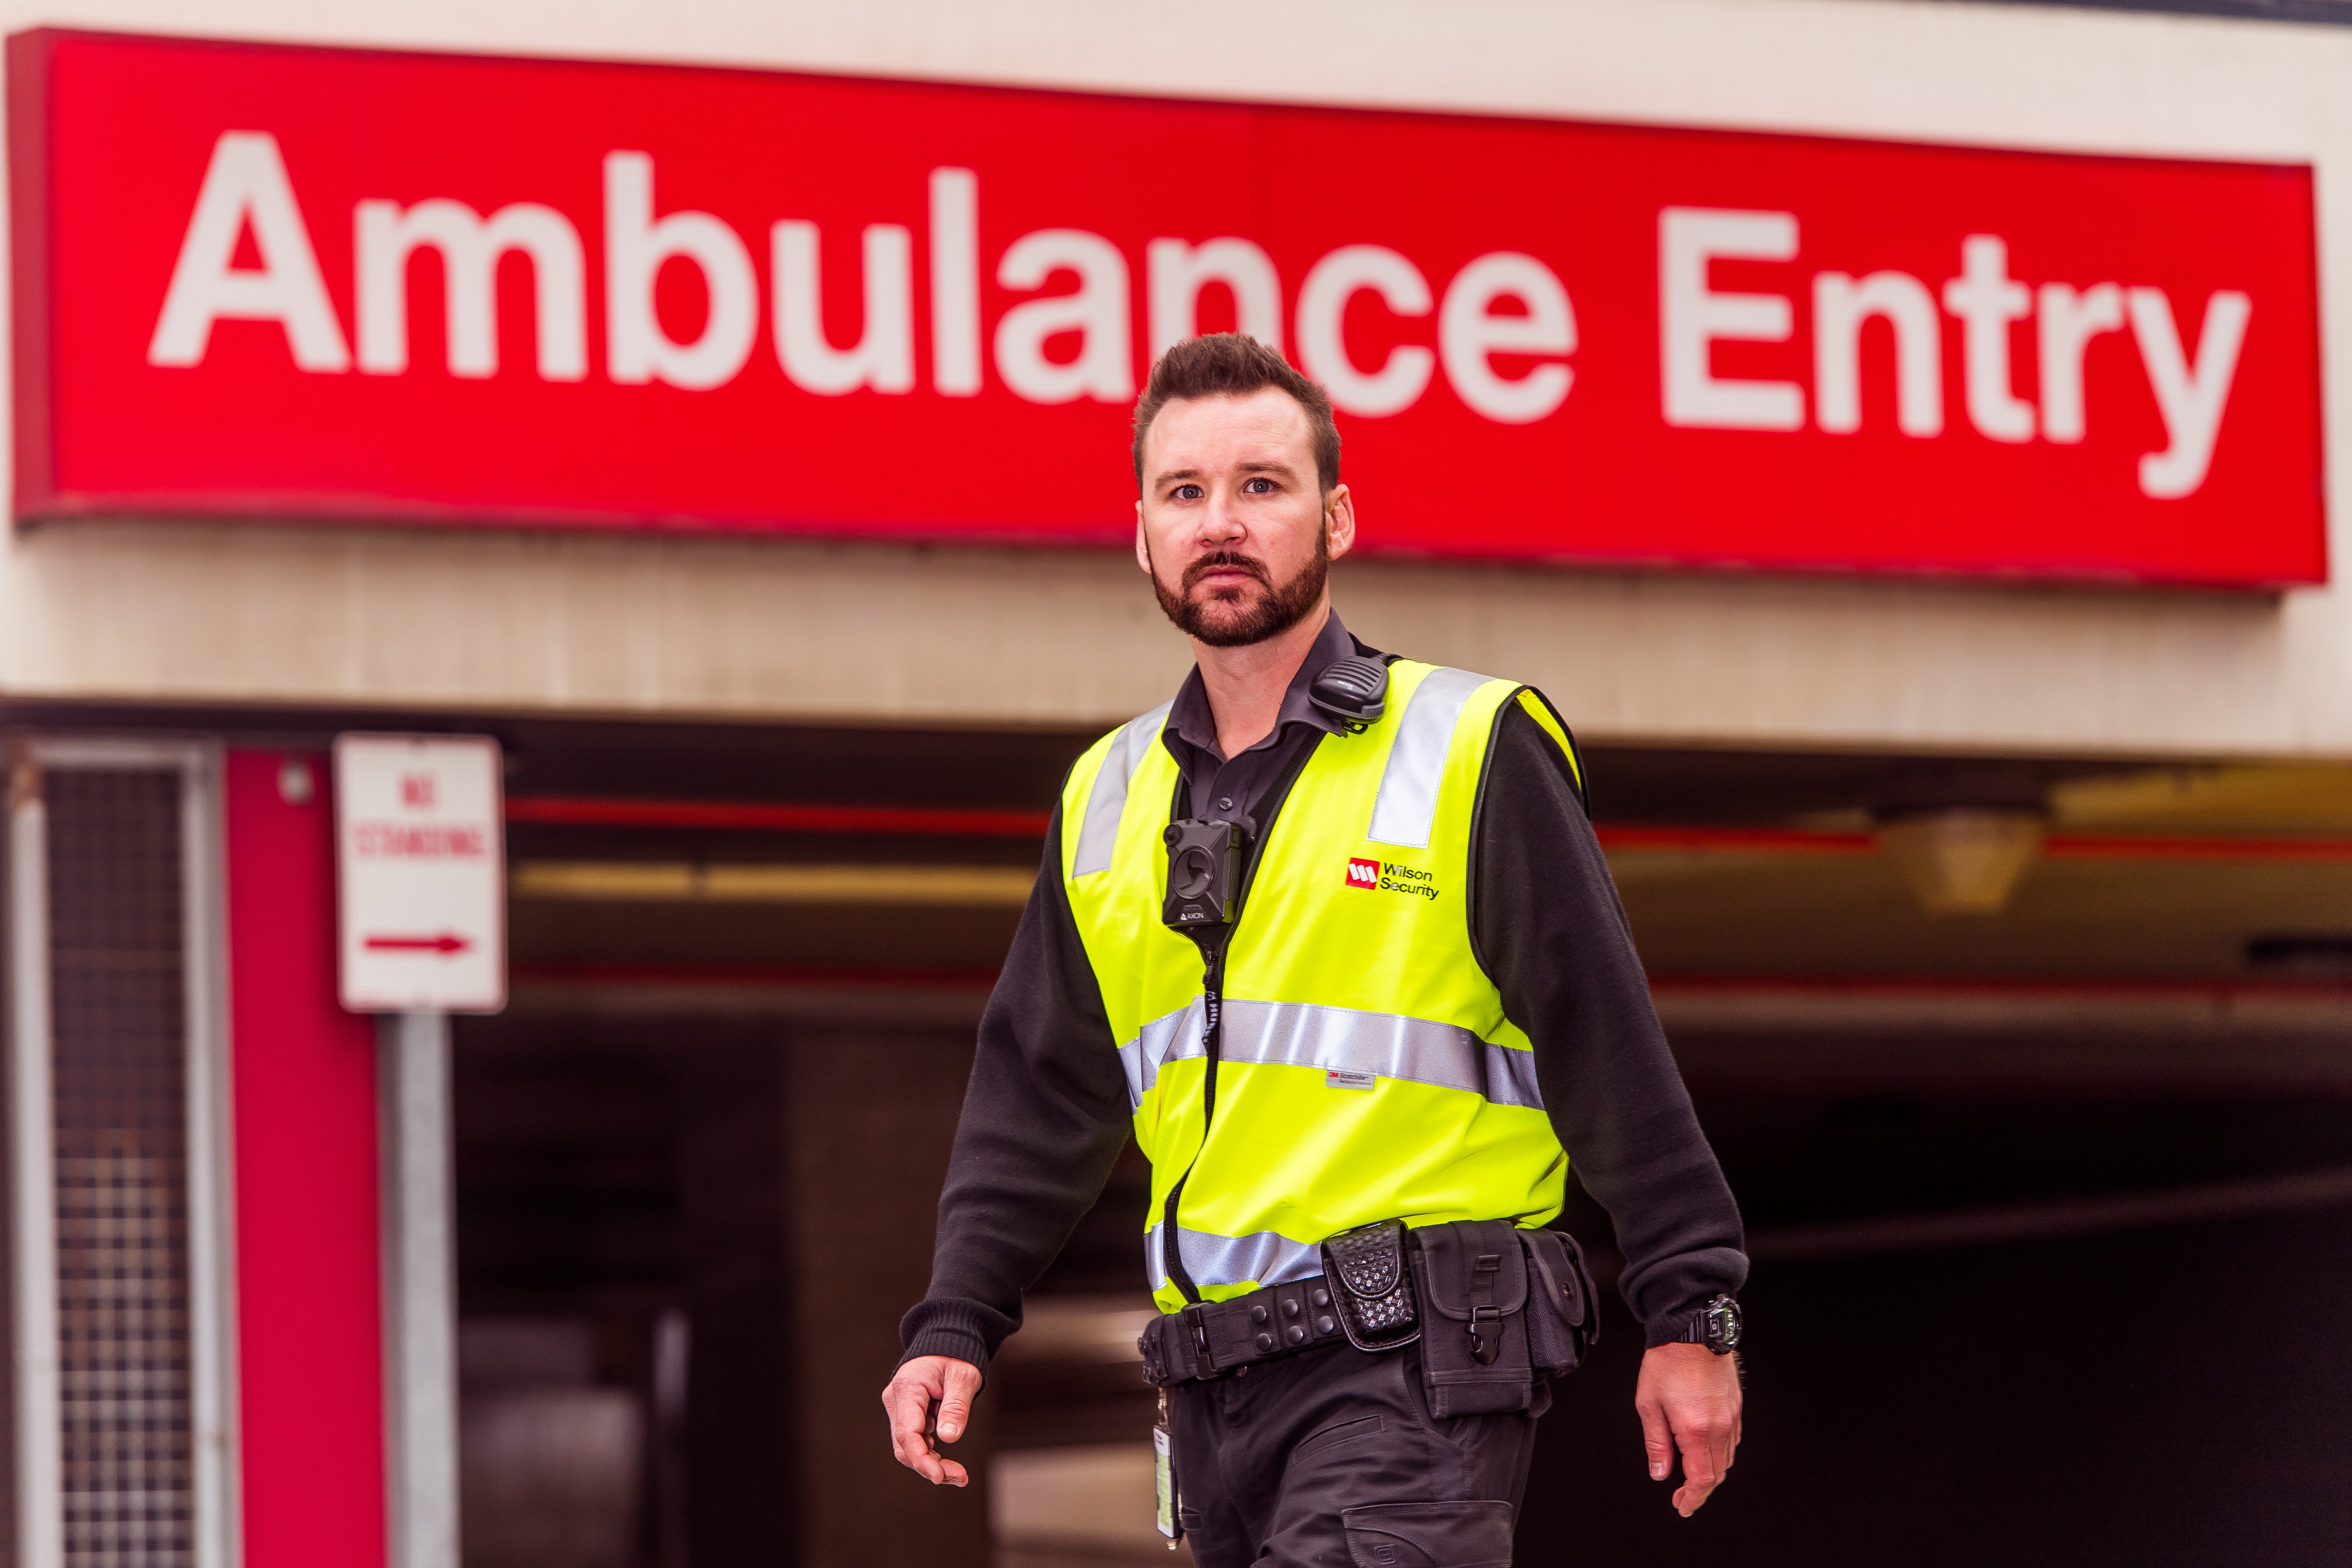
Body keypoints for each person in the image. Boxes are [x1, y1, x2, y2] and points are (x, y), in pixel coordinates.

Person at [884, 333, 1747, 1564]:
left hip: (1412, 1367)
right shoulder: (1106, 794)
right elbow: (1039, 1088)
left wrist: (1693, 1308)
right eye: (1185, 492)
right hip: (1212, 1395)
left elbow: (1601, 1034)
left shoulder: (1465, 744)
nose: (1220, 524)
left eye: (1262, 485)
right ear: (1143, 535)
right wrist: (956, 1319)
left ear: (1336, 517)